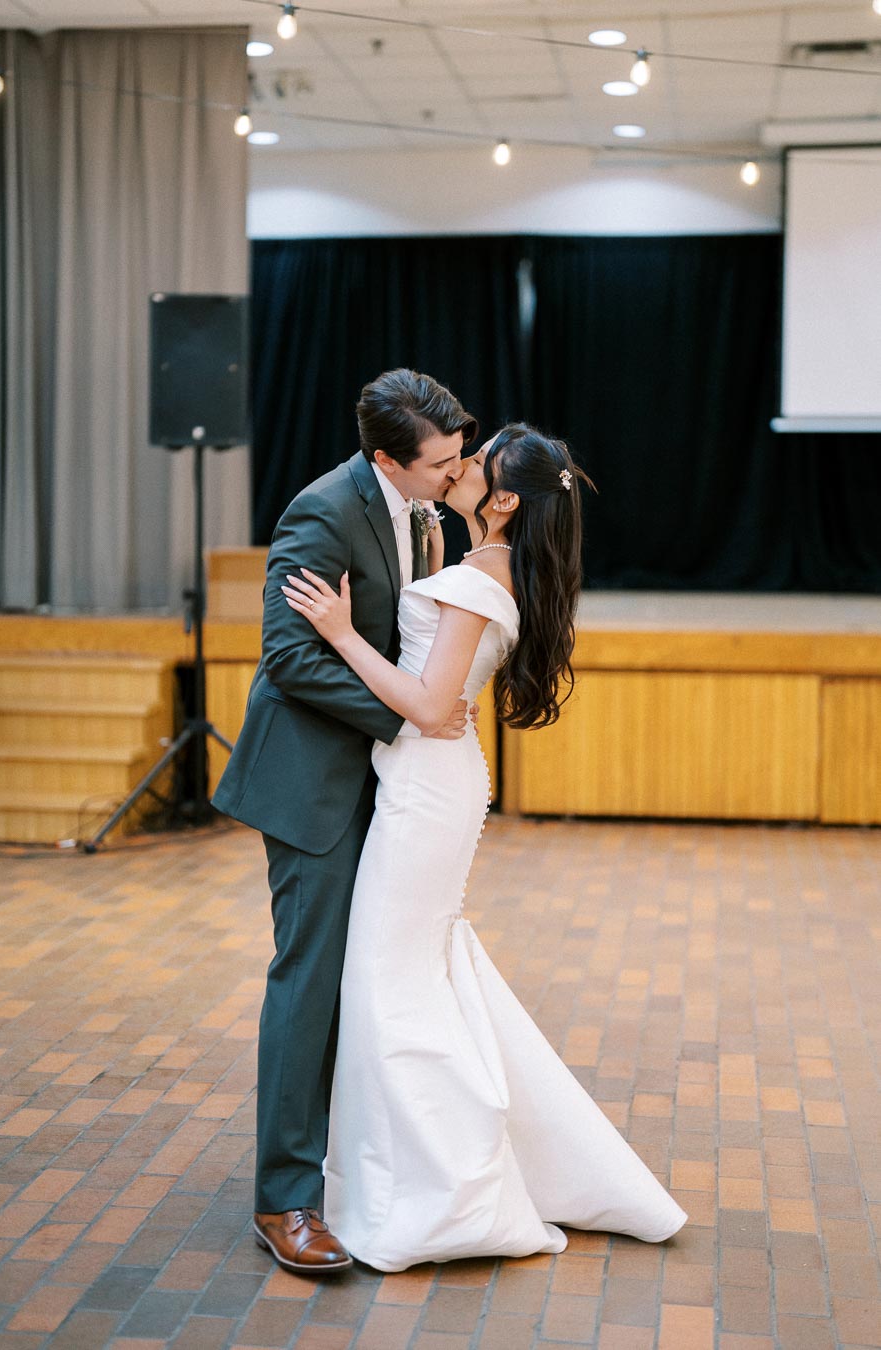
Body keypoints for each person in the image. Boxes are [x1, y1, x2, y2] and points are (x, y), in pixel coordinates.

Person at [283, 423, 688, 1271]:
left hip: (429, 787)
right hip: (431, 785)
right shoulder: (488, 565)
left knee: (388, 983)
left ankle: (443, 1189)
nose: (462, 466)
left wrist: (341, 631)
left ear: (503, 500)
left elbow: (432, 709)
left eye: (477, 461)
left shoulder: (477, 577)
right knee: (416, 968)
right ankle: (432, 1165)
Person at [212, 369, 479, 1274]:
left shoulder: (424, 509)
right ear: (383, 459)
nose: (457, 471)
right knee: (311, 979)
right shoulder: (320, 513)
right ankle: (284, 1201)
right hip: (312, 785)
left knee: (374, 974)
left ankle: (360, 1161)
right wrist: (409, 714)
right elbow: (289, 658)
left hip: (386, 786)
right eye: (441, 462)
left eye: (458, 454)